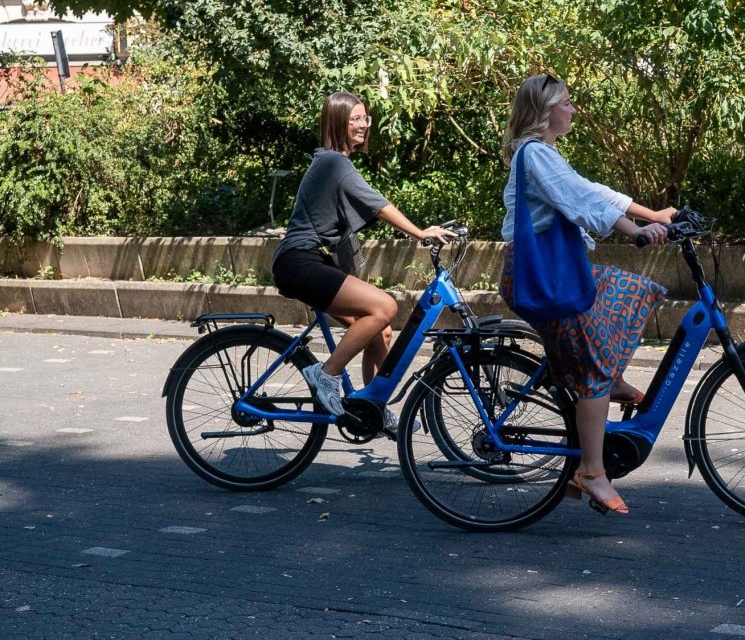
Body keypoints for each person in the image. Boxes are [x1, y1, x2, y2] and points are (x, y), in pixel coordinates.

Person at [498, 74, 674, 516]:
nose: (573, 109)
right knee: (593, 366)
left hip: (555, 271)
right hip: (543, 275)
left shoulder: (544, 153)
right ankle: (591, 471)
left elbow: (595, 191)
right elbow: (580, 201)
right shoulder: (535, 153)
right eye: (567, 103)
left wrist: (651, 214)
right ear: (545, 111)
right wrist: (635, 231)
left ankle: (609, 378)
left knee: (632, 289)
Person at [272, 91, 456, 430]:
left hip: (310, 263)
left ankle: (373, 407)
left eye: (365, 118)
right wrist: (420, 233)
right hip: (300, 262)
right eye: (354, 118)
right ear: (336, 122)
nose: (362, 125)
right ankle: (326, 374)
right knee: (385, 306)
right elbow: (377, 204)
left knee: (380, 332)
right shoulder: (333, 162)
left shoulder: (334, 163)